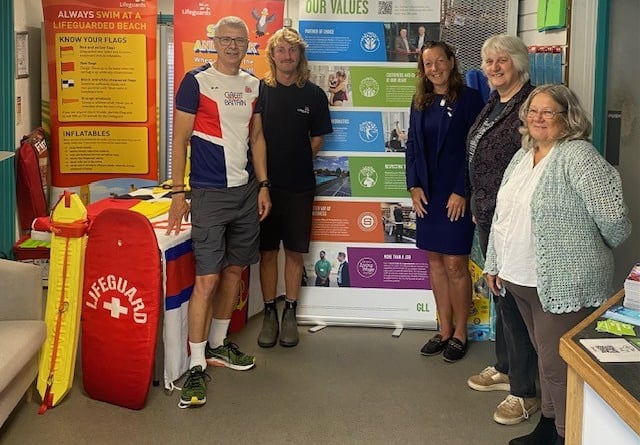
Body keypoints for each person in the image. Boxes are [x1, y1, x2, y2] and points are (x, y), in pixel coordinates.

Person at [484, 84, 631, 445]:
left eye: (548, 112)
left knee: (560, 368)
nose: (537, 118)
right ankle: (549, 427)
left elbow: (616, 221)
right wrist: (492, 261)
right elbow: (503, 215)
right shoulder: (523, 156)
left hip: (563, 284)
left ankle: (568, 435)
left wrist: (589, 250)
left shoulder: (578, 156)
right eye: (533, 111)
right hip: (518, 279)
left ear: (568, 118)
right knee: (546, 362)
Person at [166, 16, 272, 409]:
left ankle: (219, 345)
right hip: (209, 194)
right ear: (213, 42)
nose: (232, 46)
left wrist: (263, 186)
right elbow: (179, 142)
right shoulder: (195, 82)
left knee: (234, 271)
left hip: (246, 193)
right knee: (207, 280)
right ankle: (196, 364)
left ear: (248, 46)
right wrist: (179, 192)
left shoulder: (253, 85)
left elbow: (257, 137)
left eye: (238, 40)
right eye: (225, 39)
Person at [465, 35, 539, 427]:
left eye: (501, 61)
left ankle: (525, 392)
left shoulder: (531, 106)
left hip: (514, 219)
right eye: (488, 61)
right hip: (489, 213)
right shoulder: (497, 101)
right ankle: (506, 365)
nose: (493, 67)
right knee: (499, 293)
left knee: (515, 301)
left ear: (518, 63)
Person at [405, 41, 484, 363]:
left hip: (456, 194)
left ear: (452, 62)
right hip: (428, 194)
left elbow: (476, 150)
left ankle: (461, 333)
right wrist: (413, 186)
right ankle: (444, 329)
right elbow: (412, 145)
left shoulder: (470, 100)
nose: (434, 68)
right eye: (428, 64)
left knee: (455, 264)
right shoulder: (420, 101)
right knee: (434, 261)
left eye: (440, 61)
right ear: (422, 69)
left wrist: (462, 190)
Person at [257, 27, 333, 348]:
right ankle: (269, 313)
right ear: (272, 55)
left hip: (300, 186)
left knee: (295, 253)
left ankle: (290, 311)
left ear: (299, 55)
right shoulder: (260, 91)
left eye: (292, 50)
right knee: (268, 251)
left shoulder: (314, 94)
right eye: (281, 50)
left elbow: (317, 139)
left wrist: (298, 159)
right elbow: (255, 137)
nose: (287, 56)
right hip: (266, 187)